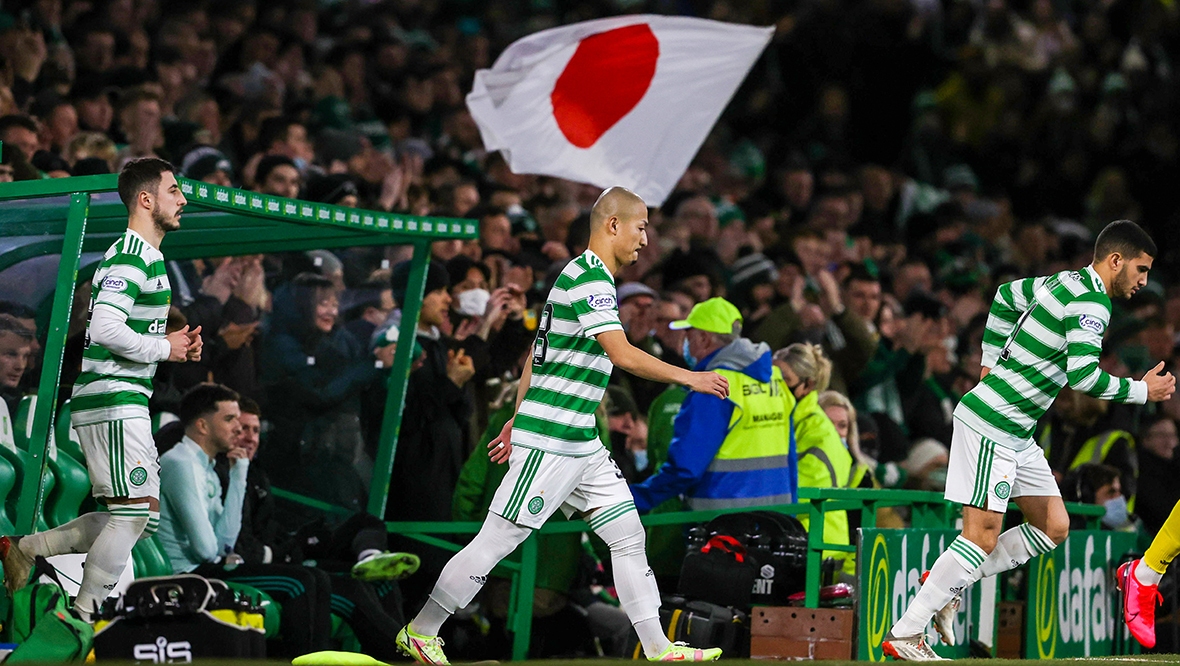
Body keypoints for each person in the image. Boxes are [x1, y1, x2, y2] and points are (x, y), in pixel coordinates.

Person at [395, 186, 730, 664]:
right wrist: (689, 376)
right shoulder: (591, 280)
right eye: (640, 227)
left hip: (580, 441)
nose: (645, 239)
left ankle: (658, 647)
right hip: (551, 440)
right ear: (613, 225)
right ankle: (422, 629)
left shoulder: (582, 278)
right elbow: (621, 354)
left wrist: (514, 416)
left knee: (628, 536)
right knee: (497, 540)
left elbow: (537, 351)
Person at [883, 220, 1176, 660]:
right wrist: (1141, 391)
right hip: (993, 425)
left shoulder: (1064, 281)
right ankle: (906, 633)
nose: (1143, 281)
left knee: (1053, 526)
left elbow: (1003, 299)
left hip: (1017, 432)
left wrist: (987, 363)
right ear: (1115, 260)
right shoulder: (1093, 304)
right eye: (1140, 269)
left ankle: (947, 586)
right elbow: (1082, 377)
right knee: (981, 537)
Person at [0, 158, 199, 620]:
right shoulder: (129, 257)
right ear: (146, 199)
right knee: (131, 515)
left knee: (141, 519)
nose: (182, 200)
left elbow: (129, 331)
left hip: (126, 396)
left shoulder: (147, 257)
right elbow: (105, 327)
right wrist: (163, 348)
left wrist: (177, 347)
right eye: (174, 191)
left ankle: (27, 549)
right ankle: (81, 618)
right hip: (111, 397)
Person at [630, 297, 793, 512]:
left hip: (724, 524)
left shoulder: (712, 386)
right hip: (776, 519)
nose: (685, 342)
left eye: (688, 335)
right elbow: (790, 456)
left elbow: (686, 467)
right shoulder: (774, 379)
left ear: (705, 339)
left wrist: (637, 499)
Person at [774, 343, 856, 576]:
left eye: (784, 379)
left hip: (819, 551)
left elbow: (800, 494)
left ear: (807, 385)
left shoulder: (818, 432)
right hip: (799, 545)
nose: (775, 387)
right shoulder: (792, 423)